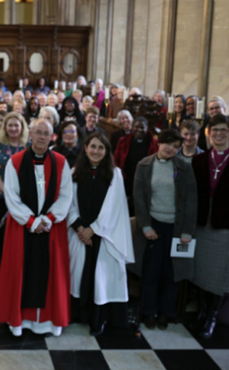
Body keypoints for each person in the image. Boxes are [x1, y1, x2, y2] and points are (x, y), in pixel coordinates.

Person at [0, 119, 73, 337]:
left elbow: (66, 195)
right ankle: (19, 322)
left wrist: (48, 219)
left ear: (51, 137)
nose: (42, 137)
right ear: (31, 135)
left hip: (51, 229)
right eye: (38, 132)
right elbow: (11, 196)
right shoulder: (15, 162)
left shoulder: (61, 162)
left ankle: (50, 322)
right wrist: (31, 221)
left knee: (51, 274)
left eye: (46, 133)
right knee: (20, 273)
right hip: (22, 229)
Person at [191, 114, 229, 339]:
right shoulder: (199, 160)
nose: (218, 134)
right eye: (214, 130)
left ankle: (212, 316)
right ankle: (202, 310)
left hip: (225, 225)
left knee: (219, 272)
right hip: (201, 222)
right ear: (209, 133)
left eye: (223, 130)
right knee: (201, 270)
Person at [67, 133, 133, 335]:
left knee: (101, 278)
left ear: (106, 152)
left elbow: (114, 207)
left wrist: (93, 229)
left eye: (101, 148)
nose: (96, 151)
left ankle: (99, 319)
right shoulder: (74, 173)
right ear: (85, 148)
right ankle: (78, 315)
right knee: (79, 273)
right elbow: (67, 203)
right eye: (92, 146)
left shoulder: (115, 175)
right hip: (80, 235)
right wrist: (79, 227)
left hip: (104, 235)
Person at [134, 129, 197, 331]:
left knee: (172, 274)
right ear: (158, 143)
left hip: (176, 228)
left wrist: (187, 231)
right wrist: (145, 226)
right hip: (153, 225)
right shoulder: (144, 165)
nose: (170, 148)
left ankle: (166, 313)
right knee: (151, 272)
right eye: (167, 143)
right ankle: (148, 311)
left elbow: (191, 201)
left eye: (175, 146)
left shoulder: (184, 167)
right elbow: (139, 199)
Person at [0, 112, 28, 286]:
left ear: (22, 127)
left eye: (16, 125)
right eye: (9, 125)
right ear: (4, 127)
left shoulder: (28, 145)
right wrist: (7, 192)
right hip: (0, 197)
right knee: (1, 236)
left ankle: (19, 273)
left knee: (22, 237)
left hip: (24, 199)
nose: (13, 128)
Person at [114, 117, 158, 198]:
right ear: (132, 127)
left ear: (147, 128)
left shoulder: (154, 143)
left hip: (145, 180)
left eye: (142, 127)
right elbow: (116, 159)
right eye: (136, 127)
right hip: (127, 179)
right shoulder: (123, 141)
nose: (139, 130)